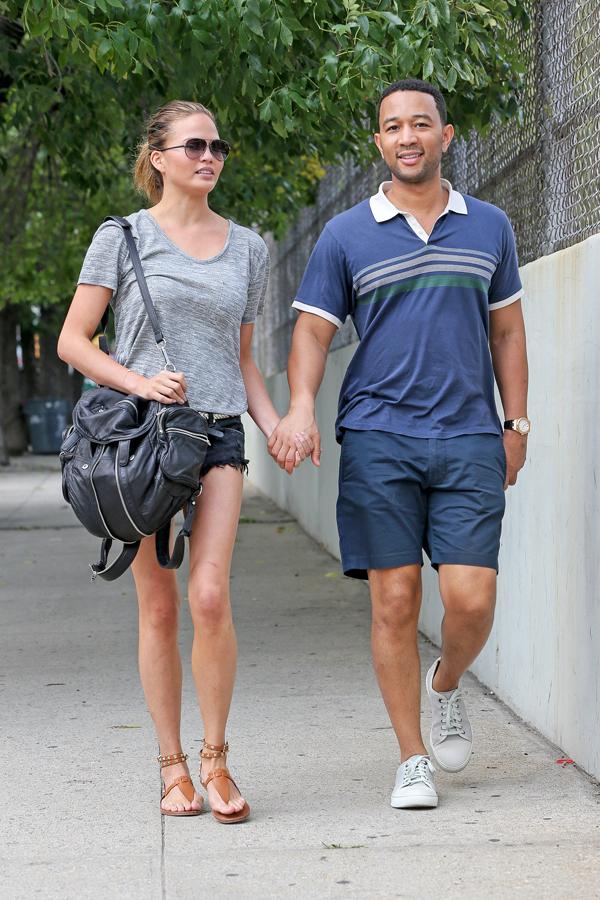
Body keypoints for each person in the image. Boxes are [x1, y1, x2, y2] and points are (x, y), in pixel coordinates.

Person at [268, 79, 529, 809]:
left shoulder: (491, 227)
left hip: (472, 435)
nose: (408, 136)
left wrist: (516, 424)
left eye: (422, 124)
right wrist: (299, 410)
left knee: (470, 598)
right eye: (393, 126)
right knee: (395, 600)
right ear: (379, 143)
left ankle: (445, 682)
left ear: (446, 137)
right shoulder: (347, 233)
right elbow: (314, 331)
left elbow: (506, 331)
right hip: (380, 437)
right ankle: (412, 757)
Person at [58, 100, 284, 822]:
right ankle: (171, 767)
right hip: (140, 441)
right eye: (192, 146)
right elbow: (74, 340)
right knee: (158, 606)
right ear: (157, 157)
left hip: (216, 434)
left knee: (209, 596)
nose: (208, 156)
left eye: (217, 145)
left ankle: (216, 761)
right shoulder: (121, 239)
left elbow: (243, 361)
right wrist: (139, 381)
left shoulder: (248, 247)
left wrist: (278, 425)